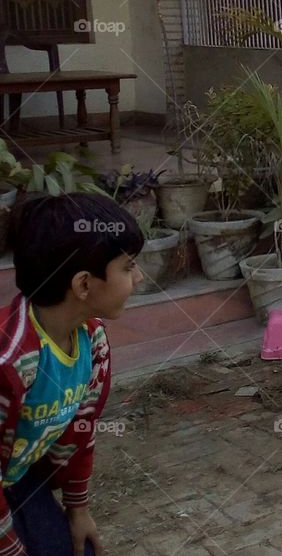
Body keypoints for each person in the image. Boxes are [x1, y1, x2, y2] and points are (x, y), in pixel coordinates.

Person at [0, 193, 144, 555]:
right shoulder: (10, 361)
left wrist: (78, 510)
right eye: (128, 268)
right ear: (83, 285)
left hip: (16, 473)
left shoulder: (92, 341)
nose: (139, 278)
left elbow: (82, 428)